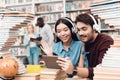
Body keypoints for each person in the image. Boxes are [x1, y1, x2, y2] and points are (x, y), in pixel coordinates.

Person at [58, 13, 114, 79]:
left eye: (84, 29)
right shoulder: (84, 41)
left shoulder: (105, 41)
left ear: (94, 28)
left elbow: (101, 71)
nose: (80, 33)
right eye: (78, 30)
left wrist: (74, 70)